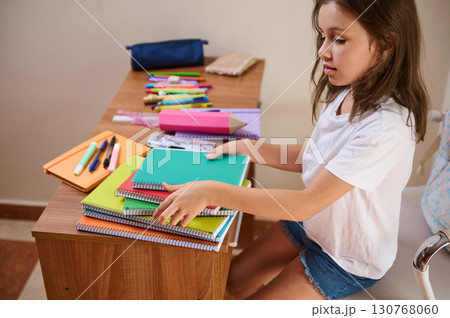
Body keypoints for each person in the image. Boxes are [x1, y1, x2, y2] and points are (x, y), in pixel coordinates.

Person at [152, 0, 429, 300]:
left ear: (385, 45)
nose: (323, 50)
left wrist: (211, 192)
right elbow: (318, 156)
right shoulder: (347, 91)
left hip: (346, 257)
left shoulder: (386, 128)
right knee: (229, 281)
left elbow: (306, 202)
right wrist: (252, 148)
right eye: (322, 36)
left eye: (339, 39)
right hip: (316, 224)